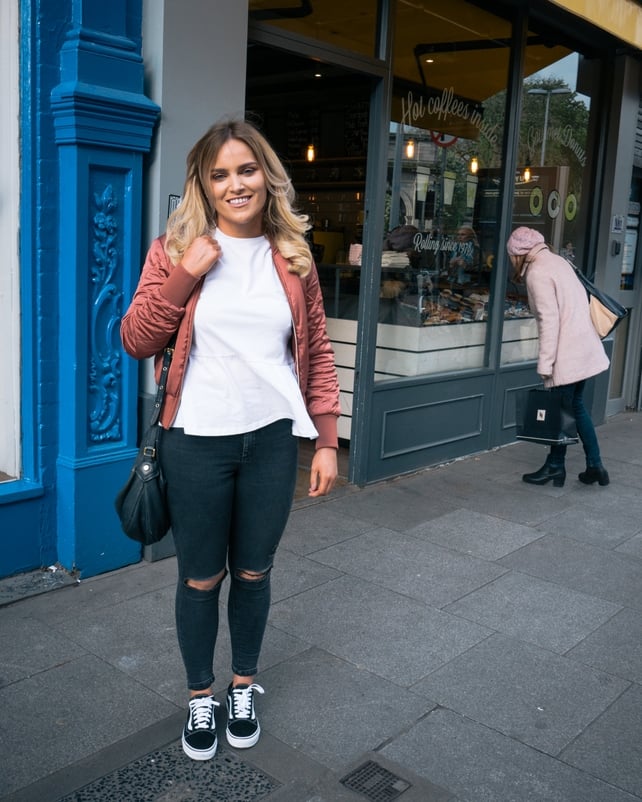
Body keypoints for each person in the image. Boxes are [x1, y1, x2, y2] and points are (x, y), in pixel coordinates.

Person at [121, 117, 341, 761]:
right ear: (204, 184)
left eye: (246, 170)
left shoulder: (293, 258)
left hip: (271, 441)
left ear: (266, 177)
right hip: (195, 443)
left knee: (253, 571)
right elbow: (136, 339)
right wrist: (185, 273)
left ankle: (242, 685)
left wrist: (327, 439)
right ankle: (200, 694)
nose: (235, 184)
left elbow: (318, 352)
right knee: (200, 577)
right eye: (220, 175)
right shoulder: (174, 250)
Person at [506, 226, 610, 488]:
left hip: (567, 352)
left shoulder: (537, 272)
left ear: (518, 253)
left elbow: (548, 321)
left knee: (562, 411)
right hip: (583, 348)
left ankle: (558, 467)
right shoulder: (559, 262)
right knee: (574, 408)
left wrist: (545, 363)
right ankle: (592, 466)